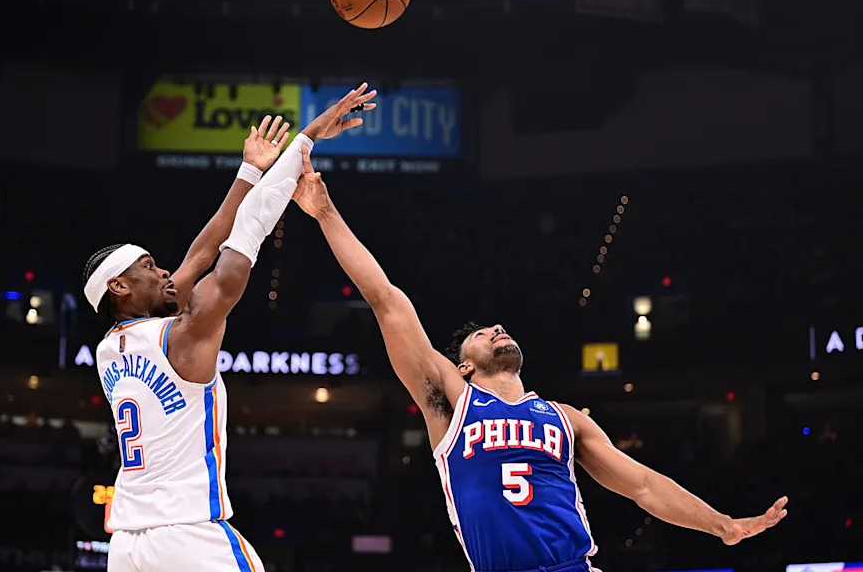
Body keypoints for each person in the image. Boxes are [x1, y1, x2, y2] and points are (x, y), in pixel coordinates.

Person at [291, 150, 788, 572]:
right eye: (482, 335)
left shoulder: (564, 418)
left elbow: (643, 485)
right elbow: (386, 300)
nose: (495, 331)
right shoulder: (451, 402)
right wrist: (327, 213)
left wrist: (722, 525)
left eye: (499, 329)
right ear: (462, 366)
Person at [81, 84, 377, 572]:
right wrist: (305, 140)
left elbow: (200, 252)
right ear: (119, 287)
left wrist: (249, 171)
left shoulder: (110, 349)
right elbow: (247, 234)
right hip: (189, 538)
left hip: (128, 545)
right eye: (150, 267)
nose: (163, 271)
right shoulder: (185, 333)